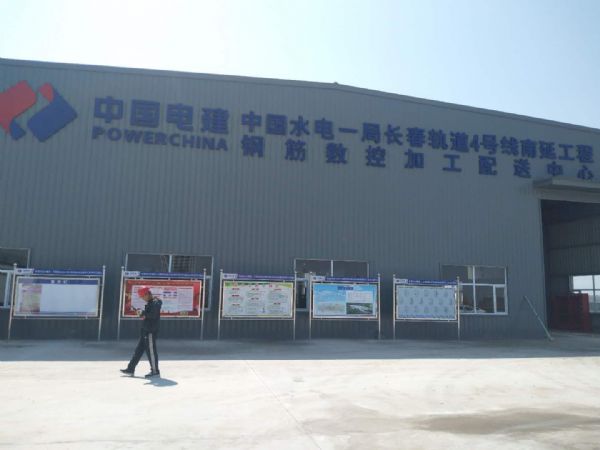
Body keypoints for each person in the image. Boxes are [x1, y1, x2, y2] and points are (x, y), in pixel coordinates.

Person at [120, 286, 162, 378]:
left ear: (147, 294)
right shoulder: (151, 303)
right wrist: (142, 313)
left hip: (150, 331)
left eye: (143, 296)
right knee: (138, 351)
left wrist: (143, 313)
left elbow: (153, 315)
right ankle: (130, 369)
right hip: (145, 330)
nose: (142, 298)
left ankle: (155, 371)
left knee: (151, 351)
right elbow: (148, 315)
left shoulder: (155, 302)